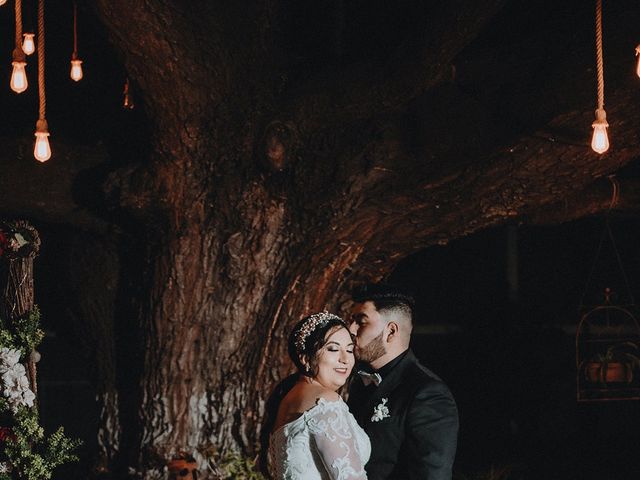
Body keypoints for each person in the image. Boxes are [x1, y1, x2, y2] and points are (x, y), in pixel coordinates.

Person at [347, 284, 459, 480]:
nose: (351, 330)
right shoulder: (358, 383)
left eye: (361, 322)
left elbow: (432, 475)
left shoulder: (427, 393)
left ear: (391, 331)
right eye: (351, 321)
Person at [262, 311, 371, 479]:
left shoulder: (290, 397)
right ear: (305, 358)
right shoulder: (325, 402)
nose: (345, 359)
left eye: (349, 350)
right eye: (333, 349)